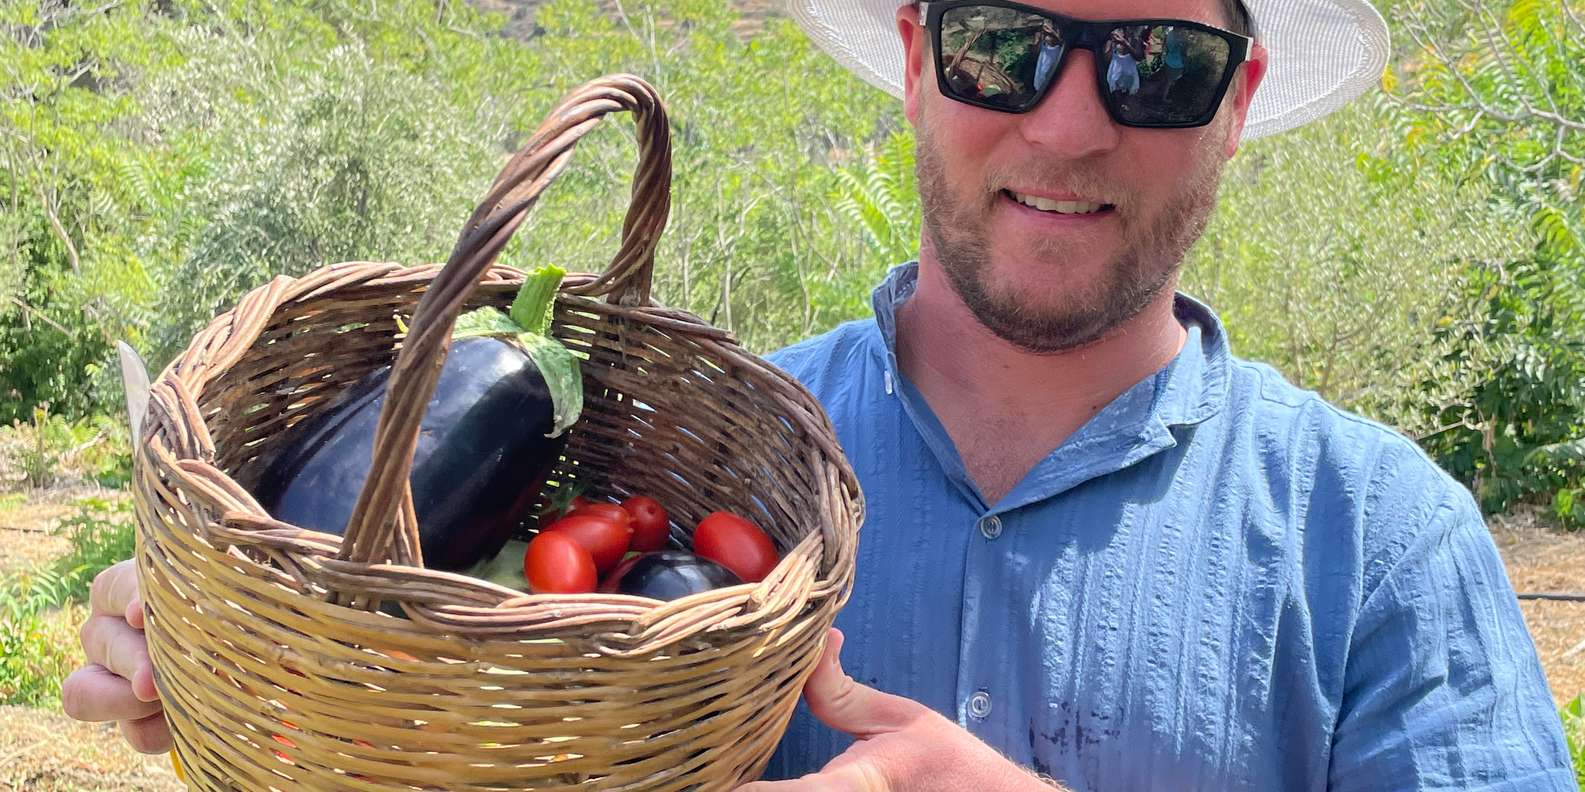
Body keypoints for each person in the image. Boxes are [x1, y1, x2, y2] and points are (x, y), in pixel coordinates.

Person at [64, 1, 1577, 790]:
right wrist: (254, 650)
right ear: (918, 61)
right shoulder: (690, 476)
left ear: (1234, 105)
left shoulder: (1383, 543)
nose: (1068, 126)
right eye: (1000, 44)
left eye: (1160, 65)